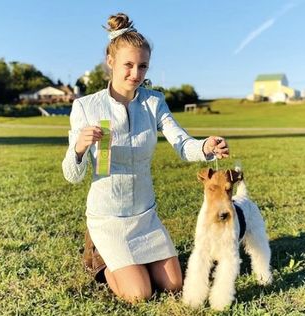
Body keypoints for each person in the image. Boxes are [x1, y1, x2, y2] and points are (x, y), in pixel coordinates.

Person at [62, 12, 229, 303]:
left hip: (144, 214)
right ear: (110, 61)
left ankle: (134, 262)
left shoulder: (154, 102)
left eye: (143, 66)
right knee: (140, 293)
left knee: (174, 284)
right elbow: (72, 175)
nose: (135, 74)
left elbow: (182, 142)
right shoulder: (86, 107)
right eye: (128, 65)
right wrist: (78, 147)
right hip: (108, 217)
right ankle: (100, 254)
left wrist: (205, 147)